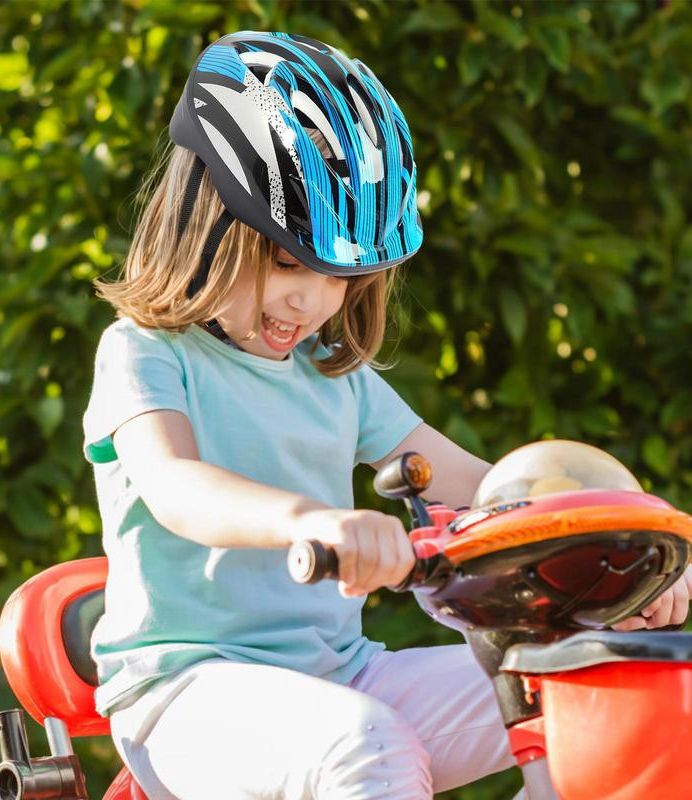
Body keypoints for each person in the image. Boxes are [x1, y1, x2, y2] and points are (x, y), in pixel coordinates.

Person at [81, 31, 689, 800]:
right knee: (366, 751)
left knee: (590, 678)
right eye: (287, 262)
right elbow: (178, 487)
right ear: (205, 225)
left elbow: (489, 493)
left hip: (339, 673)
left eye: (340, 276)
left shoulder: (336, 377)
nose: (313, 301)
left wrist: (631, 553)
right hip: (184, 694)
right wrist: (314, 520)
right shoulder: (144, 353)